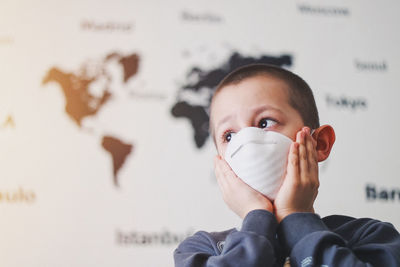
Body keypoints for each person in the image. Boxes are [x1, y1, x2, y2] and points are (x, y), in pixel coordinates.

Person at [173, 64, 400, 267]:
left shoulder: (371, 236)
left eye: (265, 122)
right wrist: (256, 216)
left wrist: (294, 215)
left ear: (318, 144)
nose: (247, 142)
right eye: (229, 136)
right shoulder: (201, 251)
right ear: (221, 163)